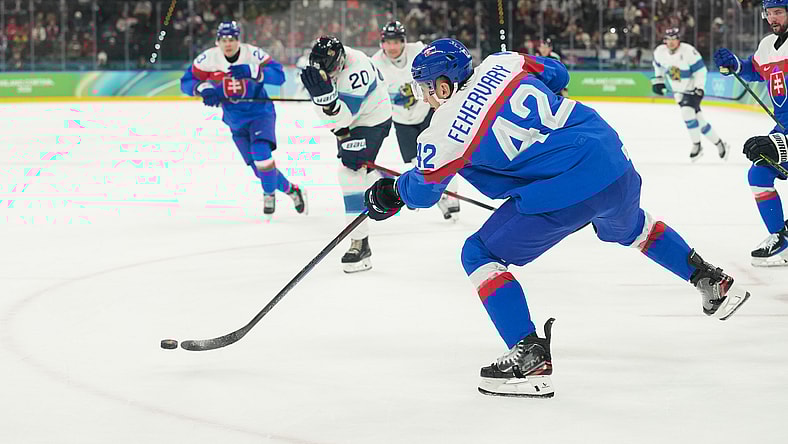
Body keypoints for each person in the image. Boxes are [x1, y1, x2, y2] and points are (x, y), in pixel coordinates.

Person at [364, 38, 752, 398]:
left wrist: (392, 191)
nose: (425, 97)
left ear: (444, 85)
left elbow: (423, 192)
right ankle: (710, 279)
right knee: (632, 228)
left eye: (427, 88)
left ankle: (529, 358)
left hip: (562, 192)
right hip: (613, 163)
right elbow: (559, 75)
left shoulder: (445, 128)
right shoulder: (504, 62)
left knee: (479, 253)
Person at [180, 21, 307, 219]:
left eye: (232, 39)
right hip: (234, 119)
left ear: (238, 40)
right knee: (259, 169)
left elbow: (279, 76)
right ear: (217, 41)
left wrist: (253, 71)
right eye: (224, 40)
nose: (228, 44)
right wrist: (203, 89)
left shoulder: (252, 54)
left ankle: (268, 194)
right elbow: (186, 82)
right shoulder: (208, 59)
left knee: (261, 152)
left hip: (260, 113)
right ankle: (292, 190)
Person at [300, 36, 393, 273]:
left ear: (341, 61)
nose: (328, 75)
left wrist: (330, 104)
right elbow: (331, 119)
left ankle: (360, 244)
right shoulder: (319, 67)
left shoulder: (356, 69)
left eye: (332, 70)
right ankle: (386, 183)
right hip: (350, 121)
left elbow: (344, 117)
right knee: (358, 170)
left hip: (373, 119)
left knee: (349, 173)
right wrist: (329, 109)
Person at [714, 0, 788, 267]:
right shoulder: (768, 45)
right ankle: (781, 238)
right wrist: (735, 64)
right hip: (784, 127)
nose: (773, 18)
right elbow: (755, 70)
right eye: (769, 13)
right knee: (759, 173)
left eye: (779, 12)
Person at [372, 20, 460, 221]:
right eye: (388, 42)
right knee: (418, 160)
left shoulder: (419, 51)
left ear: (403, 41)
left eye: (396, 42)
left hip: (427, 111)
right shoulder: (375, 63)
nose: (392, 47)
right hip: (402, 120)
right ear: (382, 43)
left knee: (445, 152)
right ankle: (439, 194)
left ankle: (452, 195)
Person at [652, 27, 730, 162]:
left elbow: (701, 71)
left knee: (687, 113)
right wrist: (659, 81)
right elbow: (658, 67)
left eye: (674, 39)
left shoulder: (688, 51)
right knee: (700, 122)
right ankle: (720, 144)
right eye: (668, 39)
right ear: (665, 40)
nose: (671, 42)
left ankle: (697, 145)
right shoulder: (660, 52)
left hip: (692, 90)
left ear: (678, 40)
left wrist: (699, 88)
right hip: (679, 93)